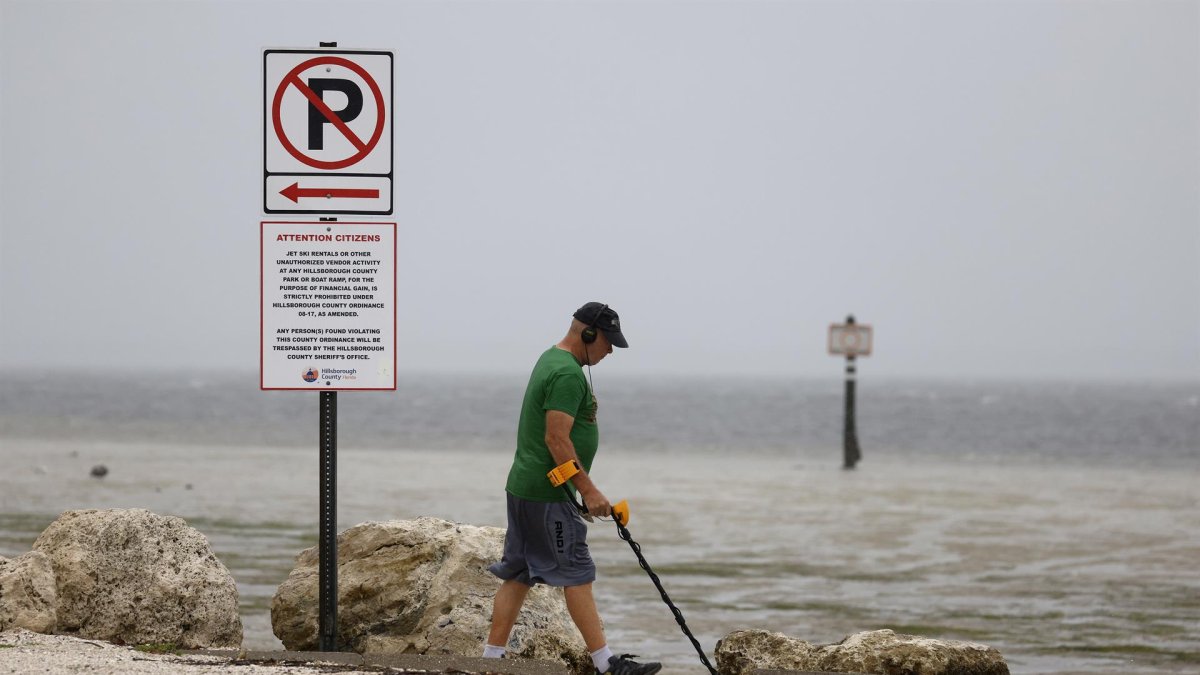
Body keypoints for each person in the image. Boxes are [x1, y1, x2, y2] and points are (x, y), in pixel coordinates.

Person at [483, 302, 661, 675]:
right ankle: (606, 664)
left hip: (525, 486)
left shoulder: (551, 359)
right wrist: (589, 490)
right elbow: (556, 440)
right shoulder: (567, 374)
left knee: (518, 572)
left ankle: (491, 660)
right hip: (548, 495)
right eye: (608, 342)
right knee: (578, 570)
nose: (610, 350)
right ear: (589, 334)